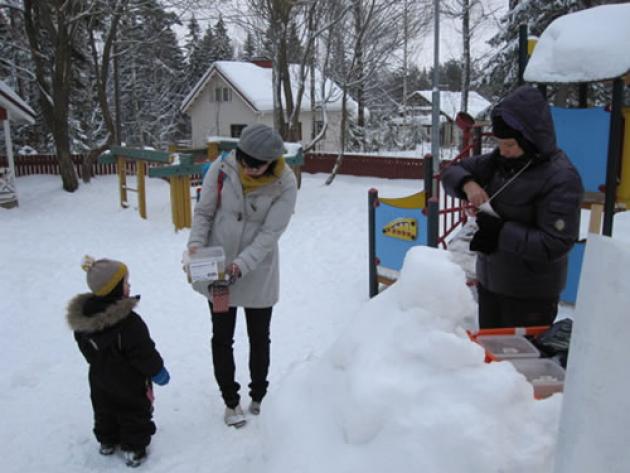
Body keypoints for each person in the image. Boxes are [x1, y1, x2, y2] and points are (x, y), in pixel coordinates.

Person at [442, 85, 584, 329]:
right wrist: (469, 185)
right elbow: (451, 172)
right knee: (491, 362)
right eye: (499, 144)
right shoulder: (498, 162)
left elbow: (555, 243)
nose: (503, 151)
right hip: (491, 283)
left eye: (509, 145)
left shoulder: (561, 178)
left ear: (530, 141)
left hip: (530, 296)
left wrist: (500, 232)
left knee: (519, 366)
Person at [187, 123, 297, 428]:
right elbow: (204, 213)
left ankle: (259, 395)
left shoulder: (286, 183)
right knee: (222, 337)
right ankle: (230, 401)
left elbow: (270, 233)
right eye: (244, 162)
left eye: (257, 166)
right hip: (219, 269)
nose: (248, 169)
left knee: (259, 337)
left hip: (258, 269)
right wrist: (195, 247)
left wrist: (242, 265)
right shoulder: (221, 168)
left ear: (272, 161)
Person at [67, 256, 170, 467]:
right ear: (113, 290)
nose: (129, 285)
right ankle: (133, 448)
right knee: (133, 412)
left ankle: (107, 440)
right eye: (125, 282)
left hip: (99, 379)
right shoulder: (129, 324)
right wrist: (158, 371)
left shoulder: (84, 322)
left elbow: (85, 348)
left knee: (103, 409)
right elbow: (144, 353)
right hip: (129, 382)